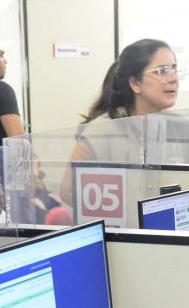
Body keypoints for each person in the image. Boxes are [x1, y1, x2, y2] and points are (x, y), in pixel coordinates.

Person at [61, 38, 182, 204]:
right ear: (135, 84)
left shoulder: (176, 125)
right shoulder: (101, 132)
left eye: (174, 69)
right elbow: (68, 192)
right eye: (162, 71)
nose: (174, 78)